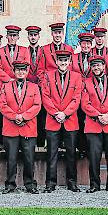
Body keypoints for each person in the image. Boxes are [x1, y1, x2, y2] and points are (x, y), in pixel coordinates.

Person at [40, 50, 83, 192]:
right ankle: (50, 183)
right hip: (53, 121)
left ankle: (72, 182)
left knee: (71, 153)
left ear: (69, 62)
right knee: (51, 154)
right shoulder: (48, 76)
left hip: (70, 121)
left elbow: (76, 98)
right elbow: (45, 97)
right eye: (60, 61)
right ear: (56, 62)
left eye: (65, 61)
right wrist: (55, 113)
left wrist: (65, 113)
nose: (63, 63)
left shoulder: (76, 77)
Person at [0, 60, 42, 194]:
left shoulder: (34, 87)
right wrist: (15, 116)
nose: (21, 72)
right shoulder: (6, 86)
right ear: (14, 71)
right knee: (11, 159)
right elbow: (2, 105)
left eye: (23, 70)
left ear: (27, 71)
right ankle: (10, 185)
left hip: (28, 127)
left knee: (29, 158)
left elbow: (37, 105)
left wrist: (23, 117)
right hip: (10, 129)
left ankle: (30, 184)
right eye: (18, 70)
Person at [81, 55, 108, 193]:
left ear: (104, 66)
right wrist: (98, 116)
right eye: (93, 65)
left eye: (99, 65)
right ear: (91, 68)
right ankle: (94, 185)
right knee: (94, 157)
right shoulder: (86, 83)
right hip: (94, 125)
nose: (96, 68)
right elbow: (85, 104)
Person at [71, 32, 94, 158]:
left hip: (92, 95)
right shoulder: (73, 58)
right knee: (79, 121)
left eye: (88, 43)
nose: (86, 46)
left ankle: (92, 149)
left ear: (91, 45)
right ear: (80, 44)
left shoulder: (96, 59)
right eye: (83, 43)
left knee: (91, 122)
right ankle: (81, 148)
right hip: (77, 94)